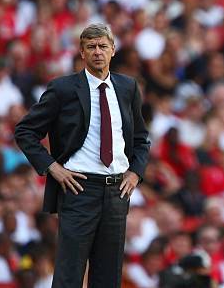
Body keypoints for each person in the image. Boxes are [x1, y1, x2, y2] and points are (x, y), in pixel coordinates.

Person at [14, 23, 151, 287]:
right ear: (82, 52)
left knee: (108, 276)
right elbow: (25, 131)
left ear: (113, 50)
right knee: (69, 274)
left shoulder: (128, 88)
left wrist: (135, 173)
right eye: (91, 47)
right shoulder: (63, 89)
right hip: (78, 188)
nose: (97, 52)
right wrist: (53, 167)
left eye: (102, 46)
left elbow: (140, 138)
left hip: (117, 191)